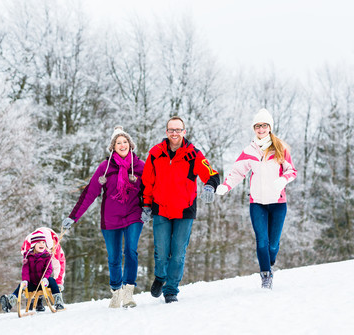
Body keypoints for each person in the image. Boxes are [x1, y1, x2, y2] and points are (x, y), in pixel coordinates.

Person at [62, 126, 145, 308]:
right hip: (111, 218)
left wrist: (148, 207)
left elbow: (151, 188)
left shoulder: (139, 166)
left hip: (134, 214)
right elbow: (89, 194)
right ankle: (116, 292)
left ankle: (128, 293)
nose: (122, 145)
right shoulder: (105, 167)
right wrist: (73, 217)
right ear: (112, 147)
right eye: (118, 143)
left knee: (130, 251)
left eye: (125, 142)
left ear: (130, 145)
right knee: (114, 257)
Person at [141, 116, 220, 303]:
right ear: (166, 132)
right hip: (160, 209)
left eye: (178, 130)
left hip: (185, 211)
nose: (174, 133)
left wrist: (209, 186)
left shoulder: (193, 154)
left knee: (177, 253)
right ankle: (160, 276)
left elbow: (211, 174)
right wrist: (145, 204)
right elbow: (147, 182)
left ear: (184, 132)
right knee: (161, 251)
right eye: (171, 130)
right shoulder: (155, 153)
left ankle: (171, 290)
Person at [215, 108, 297, 289]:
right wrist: (226, 186)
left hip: (278, 203)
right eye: (258, 126)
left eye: (264, 125)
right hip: (257, 203)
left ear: (270, 127)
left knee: (273, 246)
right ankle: (266, 275)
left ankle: (270, 259)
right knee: (262, 241)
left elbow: (292, 171)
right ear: (254, 128)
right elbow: (238, 172)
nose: (261, 129)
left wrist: (282, 180)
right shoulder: (249, 151)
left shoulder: (280, 148)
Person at [0, 232, 65, 312]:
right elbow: (25, 270)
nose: (42, 244)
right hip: (33, 283)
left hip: (44, 283)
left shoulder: (47, 256)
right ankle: (9, 302)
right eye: (39, 242)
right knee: (21, 285)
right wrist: (25, 280)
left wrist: (45, 278)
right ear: (34, 244)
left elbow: (49, 269)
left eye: (43, 242)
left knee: (52, 280)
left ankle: (58, 302)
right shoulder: (28, 256)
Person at [20, 227, 66, 311]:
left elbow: (59, 265)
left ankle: (58, 301)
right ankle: (33, 301)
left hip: (46, 273)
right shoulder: (28, 243)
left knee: (49, 279)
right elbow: (26, 266)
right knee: (33, 276)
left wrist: (58, 281)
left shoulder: (56, 248)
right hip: (33, 275)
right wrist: (26, 280)